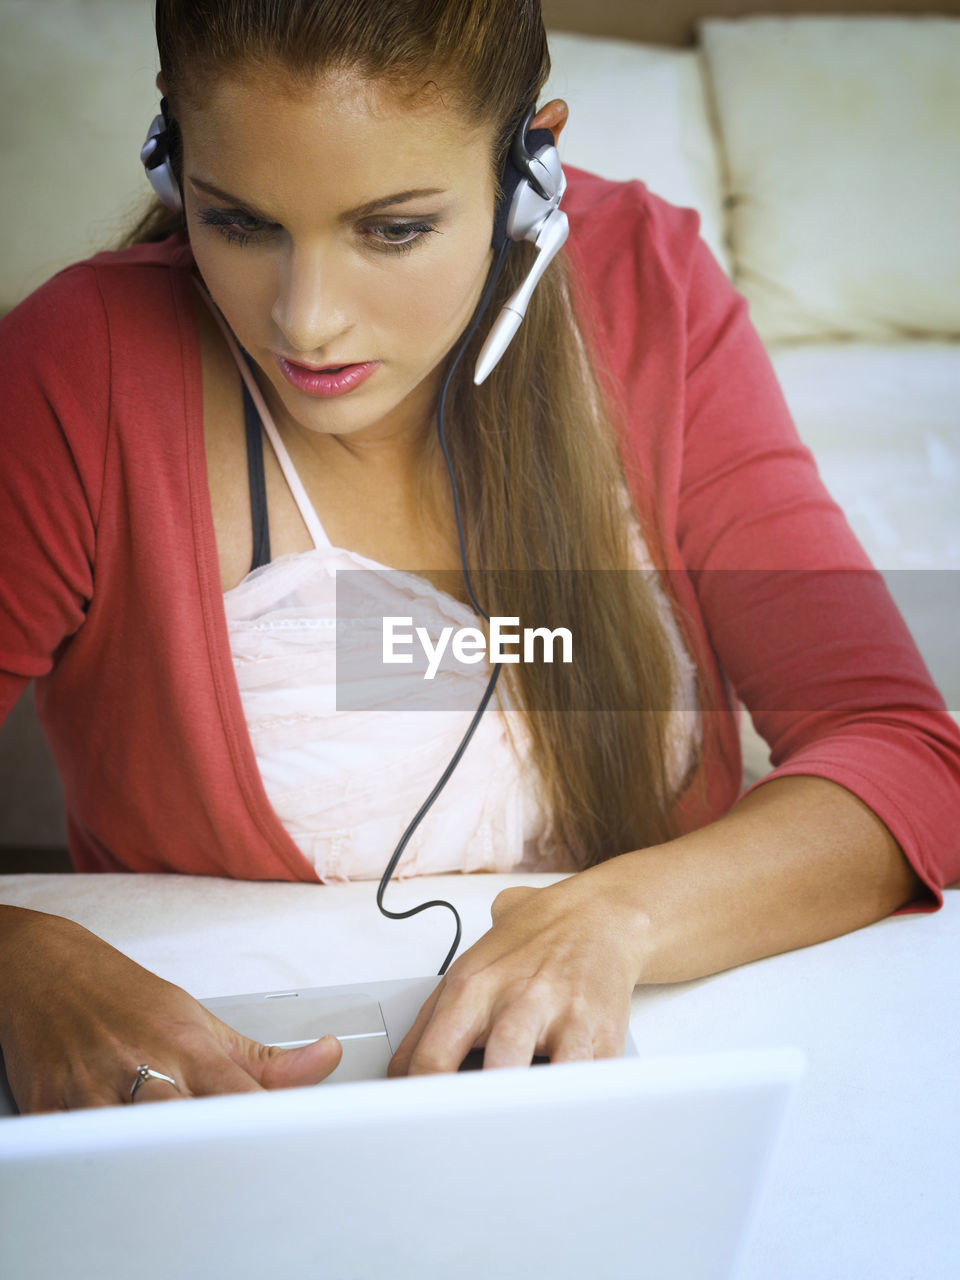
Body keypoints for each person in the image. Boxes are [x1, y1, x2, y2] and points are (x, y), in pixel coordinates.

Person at [1, 0, 958, 1116]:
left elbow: (901, 754)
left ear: (526, 171)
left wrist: (615, 918)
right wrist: (21, 954)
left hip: (655, 1086)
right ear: (172, 158)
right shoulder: (78, 369)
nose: (306, 323)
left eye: (393, 228)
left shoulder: (654, 289)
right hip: (234, 1115)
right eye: (240, 222)